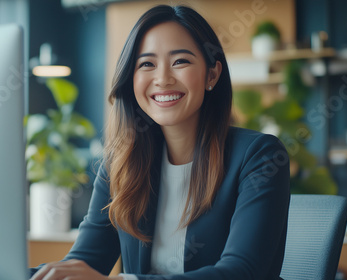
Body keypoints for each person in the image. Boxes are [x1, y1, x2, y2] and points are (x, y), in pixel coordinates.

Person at [30, 4, 290, 280]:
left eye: (180, 61)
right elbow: (84, 265)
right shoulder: (121, 164)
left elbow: (241, 273)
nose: (163, 79)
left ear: (212, 75)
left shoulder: (259, 156)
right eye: (147, 64)